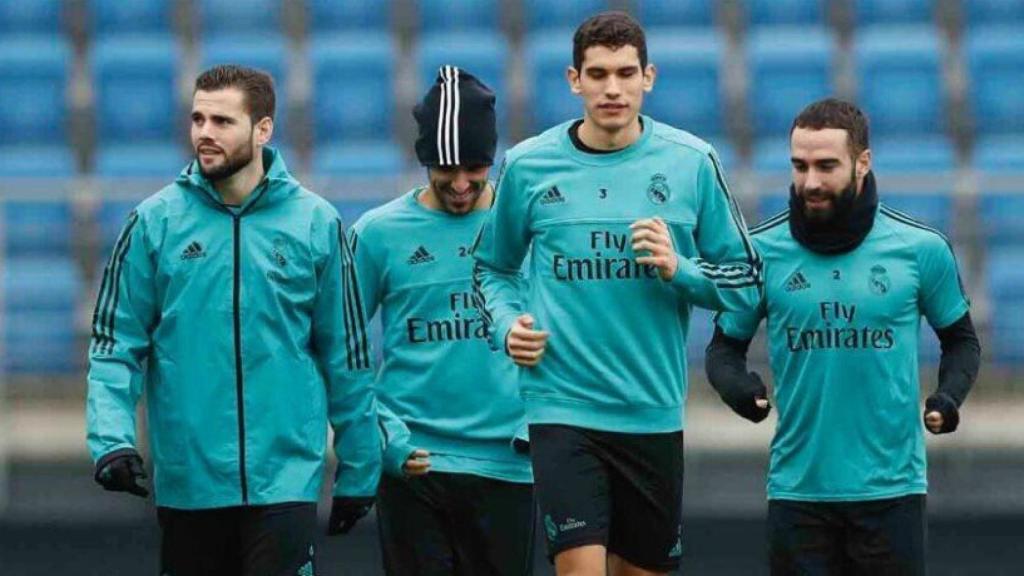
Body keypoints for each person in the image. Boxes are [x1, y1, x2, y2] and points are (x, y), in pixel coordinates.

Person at [472, 12, 761, 576]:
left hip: (650, 413)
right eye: (597, 74)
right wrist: (507, 326)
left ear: (647, 78)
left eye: (625, 73)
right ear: (573, 79)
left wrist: (679, 269)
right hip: (561, 408)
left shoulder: (691, 162)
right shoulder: (529, 166)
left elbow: (747, 283)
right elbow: (491, 269)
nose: (612, 88)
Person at [85, 64, 381, 576]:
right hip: (189, 482)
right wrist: (111, 441)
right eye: (197, 118)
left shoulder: (316, 223)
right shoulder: (154, 223)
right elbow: (115, 344)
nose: (204, 132)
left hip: (285, 483)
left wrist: (360, 467)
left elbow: (346, 354)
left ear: (262, 130)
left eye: (222, 121)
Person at [705, 98, 981, 575]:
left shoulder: (920, 249)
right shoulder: (761, 251)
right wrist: (740, 390)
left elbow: (961, 341)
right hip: (798, 493)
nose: (810, 181)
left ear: (862, 163)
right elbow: (723, 350)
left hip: (892, 493)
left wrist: (948, 397)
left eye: (826, 165)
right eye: (800, 165)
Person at [349, 66, 534, 576]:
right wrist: (383, 433)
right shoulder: (379, 234)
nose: (459, 185)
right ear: (422, 158)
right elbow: (337, 345)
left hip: (509, 466)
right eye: (444, 168)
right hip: (415, 465)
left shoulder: (528, 229)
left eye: (474, 168)